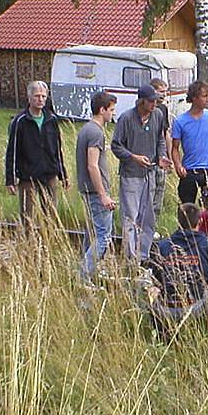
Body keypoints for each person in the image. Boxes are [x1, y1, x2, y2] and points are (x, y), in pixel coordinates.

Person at [111, 84, 172, 262]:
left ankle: (143, 256)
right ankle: (131, 258)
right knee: (130, 216)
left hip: (150, 173)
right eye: (151, 101)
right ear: (141, 101)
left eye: (156, 101)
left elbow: (160, 138)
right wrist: (133, 157)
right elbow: (116, 145)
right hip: (131, 174)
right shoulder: (126, 118)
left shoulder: (158, 115)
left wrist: (161, 156)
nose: (154, 104)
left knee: (148, 216)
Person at [145, 203, 208, 324]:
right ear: (199, 222)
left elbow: (154, 276)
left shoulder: (162, 246)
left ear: (178, 222)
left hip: (164, 309)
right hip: (196, 308)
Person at [4, 80, 69, 229]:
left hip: (49, 174)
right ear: (29, 98)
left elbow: (57, 149)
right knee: (28, 217)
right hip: (28, 177)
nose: (40, 100)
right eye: (37, 96)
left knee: (51, 214)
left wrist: (63, 175)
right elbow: (12, 151)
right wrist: (10, 179)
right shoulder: (19, 122)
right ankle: (28, 246)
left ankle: (48, 243)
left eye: (43, 97)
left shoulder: (51, 120)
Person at [76, 91, 117, 278]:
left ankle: (85, 271)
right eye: (111, 110)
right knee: (103, 236)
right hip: (95, 191)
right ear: (102, 110)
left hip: (87, 190)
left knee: (90, 233)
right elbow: (92, 165)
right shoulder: (95, 132)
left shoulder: (86, 129)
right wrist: (103, 194)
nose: (113, 114)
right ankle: (84, 274)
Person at [149, 78, 173, 219]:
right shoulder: (145, 107)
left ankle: (153, 223)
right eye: (161, 92)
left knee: (159, 191)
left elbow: (165, 133)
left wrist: (168, 157)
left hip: (161, 156)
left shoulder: (163, 109)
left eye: (165, 91)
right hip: (149, 157)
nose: (164, 95)